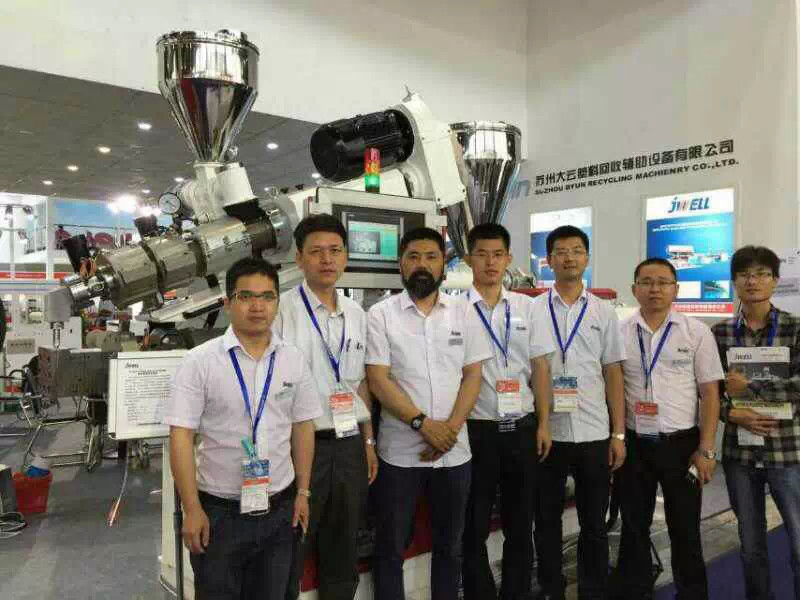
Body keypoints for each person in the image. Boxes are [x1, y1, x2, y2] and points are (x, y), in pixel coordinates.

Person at [165, 257, 321, 600]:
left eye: (267, 297)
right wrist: (192, 508)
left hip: (280, 510)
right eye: (246, 296)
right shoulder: (200, 362)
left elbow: (303, 427)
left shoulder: (292, 359)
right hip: (219, 513)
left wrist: (303, 492)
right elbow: (181, 437)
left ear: (277, 302)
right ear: (228, 302)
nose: (257, 306)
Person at [366, 226, 492, 600]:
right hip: (400, 456)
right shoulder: (381, 315)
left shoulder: (464, 312)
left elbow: (473, 375)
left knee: (450, 546)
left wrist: (448, 429)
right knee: (390, 547)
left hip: (454, 453)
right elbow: (378, 379)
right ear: (401, 265)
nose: (422, 264)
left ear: (443, 266)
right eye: (414, 257)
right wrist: (423, 424)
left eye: (431, 257)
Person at [276, 214, 378, 600]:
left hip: (350, 445)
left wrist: (369, 443)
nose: (327, 259)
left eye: (335, 251)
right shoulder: (282, 311)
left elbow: (359, 383)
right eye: (316, 251)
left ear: (346, 257)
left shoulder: (356, 314)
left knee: (344, 548)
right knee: (291, 547)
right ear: (299, 258)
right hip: (300, 447)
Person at [614, 258, 723, 599]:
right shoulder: (619, 332)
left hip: (682, 445)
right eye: (647, 282)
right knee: (633, 527)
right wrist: (617, 437)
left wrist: (706, 449)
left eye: (663, 282)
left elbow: (710, 394)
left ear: (676, 289)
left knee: (685, 529)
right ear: (634, 289)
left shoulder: (696, 332)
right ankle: (634, 592)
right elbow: (613, 388)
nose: (655, 289)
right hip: (635, 443)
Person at [532, 224, 626, 600]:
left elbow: (613, 372)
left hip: (593, 431)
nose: (568, 257)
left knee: (594, 523)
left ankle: (593, 590)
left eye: (576, 250)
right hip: (548, 431)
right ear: (549, 260)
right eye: (561, 251)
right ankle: (551, 589)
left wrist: (618, 433)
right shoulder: (533, 309)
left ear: (586, 258)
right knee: (546, 520)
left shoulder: (603, 311)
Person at [461, 223, 554, 600]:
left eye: (498, 254)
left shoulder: (528, 308)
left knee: (520, 523)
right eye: (482, 254)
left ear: (508, 259)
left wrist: (544, 423)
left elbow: (540, 367)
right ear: (468, 259)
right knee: (474, 525)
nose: (490, 262)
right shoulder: (454, 310)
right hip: (476, 430)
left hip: (522, 429)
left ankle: (516, 592)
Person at [712, 245, 800, 600]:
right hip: (741, 455)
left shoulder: (795, 328)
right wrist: (730, 413)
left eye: (762, 273)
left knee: (799, 543)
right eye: (745, 274)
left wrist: (751, 387)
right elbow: (707, 392)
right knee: (750, 547)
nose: (753, 281)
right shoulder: (719, 334)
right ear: (734, 281)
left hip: (787, 452)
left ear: (775, 280)